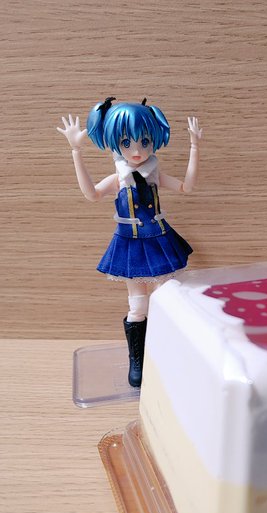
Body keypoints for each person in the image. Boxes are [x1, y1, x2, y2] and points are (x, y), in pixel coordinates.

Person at [58, 97, 202, 386]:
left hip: (159, 241)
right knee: (138, 306)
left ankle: (167, 354)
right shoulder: (119, 179)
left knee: (167, 300)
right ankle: (138, 360)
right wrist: (76, 151)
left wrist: (194, 146)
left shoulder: (154, 175)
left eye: (144, 142)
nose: (137, 151)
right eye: (127, 143)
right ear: (115, 144)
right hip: (131, 245)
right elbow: (91, 194)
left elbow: (186, 187)